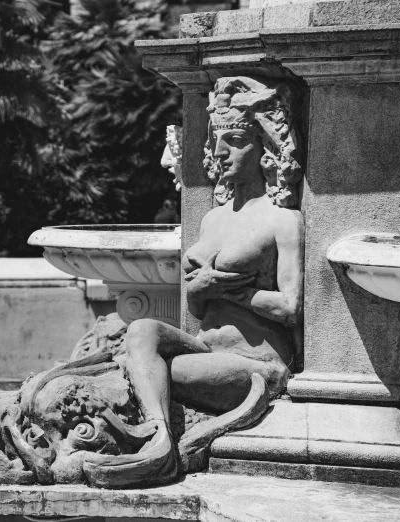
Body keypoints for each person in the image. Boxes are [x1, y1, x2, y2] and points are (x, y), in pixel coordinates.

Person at [125, 77, 304, 431]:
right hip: (204, 348)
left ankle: (156, 437)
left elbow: (290, 307)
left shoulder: (283, 221)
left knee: (149, 370)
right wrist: (200, 288)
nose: (221, 153)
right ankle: (157, 433)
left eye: (235, 142)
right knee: (142, 329)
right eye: (216, 141)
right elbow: (197, 307)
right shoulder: (212, 218)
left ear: (264, 147)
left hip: (254, 360)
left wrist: (236, 292)